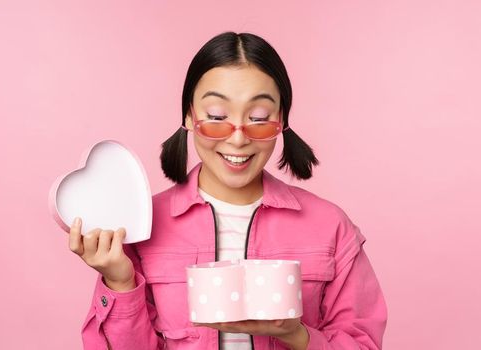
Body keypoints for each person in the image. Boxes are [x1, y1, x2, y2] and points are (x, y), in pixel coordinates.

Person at [67, 31, 387, 350]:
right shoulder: (143, 227)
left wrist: (296, 335)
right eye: (217, 117)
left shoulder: (330, 228)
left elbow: (362, 343)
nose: (238, 139)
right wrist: (120, 282)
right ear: (190, 117)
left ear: (282, 120)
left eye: (259, 118)